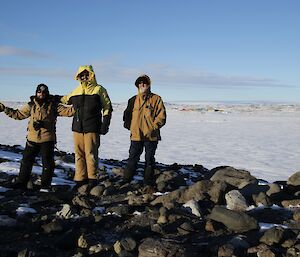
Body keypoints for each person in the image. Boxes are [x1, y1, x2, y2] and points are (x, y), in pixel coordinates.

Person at [0, 84, 74, 191]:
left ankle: (45, 185)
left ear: (47, 93)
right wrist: (5, 109)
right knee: (26, 161)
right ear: (36, 93)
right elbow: (18, 114)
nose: (41, 94)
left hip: (47, 139)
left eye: (44, 92)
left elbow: (69, 111)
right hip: (32, 139)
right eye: (39, 92)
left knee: (48, 163)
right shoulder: (31, 105)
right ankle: (21, 182)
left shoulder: (53, 105)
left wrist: (80, 103)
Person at [60, 65, 113, 189]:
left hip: (92, 127)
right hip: (77, 128)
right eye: (82, 75)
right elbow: (65, 99)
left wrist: (105, 124)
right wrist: (51, 98)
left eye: (86, 74)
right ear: (78, 77)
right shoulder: (76, 91)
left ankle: (92, 178)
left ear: (91, 75)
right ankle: (80, 178)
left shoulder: (99, 89)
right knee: (79, 154)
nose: (84, 77)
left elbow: (107, 107)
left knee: (91, 153)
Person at [123, 74, 166, 186]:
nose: (142, 84)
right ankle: (126, 180)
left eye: (144, 82)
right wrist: (131, 128)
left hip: (151, 136)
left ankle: (148, 182)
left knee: (149, 159)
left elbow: (161, 116)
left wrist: (153, 127)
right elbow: (127, 116)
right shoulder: (132, 100)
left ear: (149, 84)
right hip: (136, 135)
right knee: (132, 158)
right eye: (140, 82)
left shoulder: (156, 99)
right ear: (137, 85)